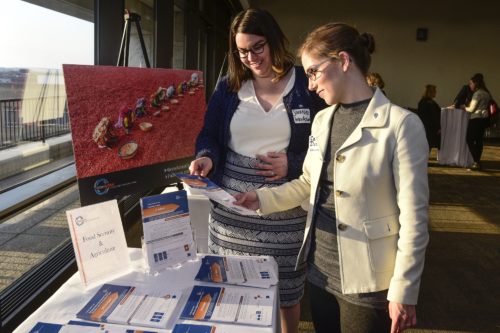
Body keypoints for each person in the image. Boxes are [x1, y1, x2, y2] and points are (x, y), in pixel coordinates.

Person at [235, 22, 429, 333]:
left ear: (343, 61)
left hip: (367, 281)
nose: (309, 84)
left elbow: (415, 218)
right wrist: (261, 198)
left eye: (313, 72)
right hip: (319, 272)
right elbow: (308, 184)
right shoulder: (323, 120)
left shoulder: (402, 125)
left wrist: (404, 290)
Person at [188, 8, 325, 333]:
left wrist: (291, 162)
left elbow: (326, 144)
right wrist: (206, 157)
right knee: (232, 289)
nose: (251, 57)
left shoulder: (306, 86)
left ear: (275, 40)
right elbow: (208, 134)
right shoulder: (228, 87)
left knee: (287, 293)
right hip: (231, 211)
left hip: (285, 211)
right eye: (242, 51)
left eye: (258, 47)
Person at [461, 73, 491, 170]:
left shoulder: (477, 94)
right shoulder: (487, 93)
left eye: (471, 83)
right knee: (479, 141)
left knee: (469, 139)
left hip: (476, 119)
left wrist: (464, 107)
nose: (470, 85)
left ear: (476, 83)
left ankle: (476, 161)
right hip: (484, 120)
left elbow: (471, 109)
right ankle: (477, 162)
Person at [417, 84, 441, 152]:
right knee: (430, 144)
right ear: (430, 92)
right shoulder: (430, 103)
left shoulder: (422, 102)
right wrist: (438, 127)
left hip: (425, 126)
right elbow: (434, 116)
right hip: (431, 128)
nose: (435, 93)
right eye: (434, 91)